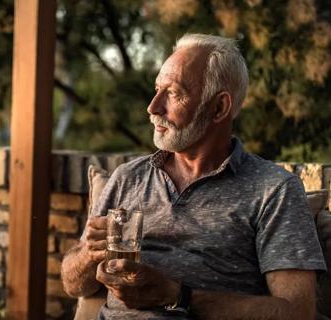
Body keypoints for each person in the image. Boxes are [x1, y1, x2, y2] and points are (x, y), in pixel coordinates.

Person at [61, 33, 326, 320]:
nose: (153, 107)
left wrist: (177, 296)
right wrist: (88, 253)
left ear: (219, 107)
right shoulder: (128, 178)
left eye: (173, 93)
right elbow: (73, 284)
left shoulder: (273, 190)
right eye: (156, 89)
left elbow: (298, 313)